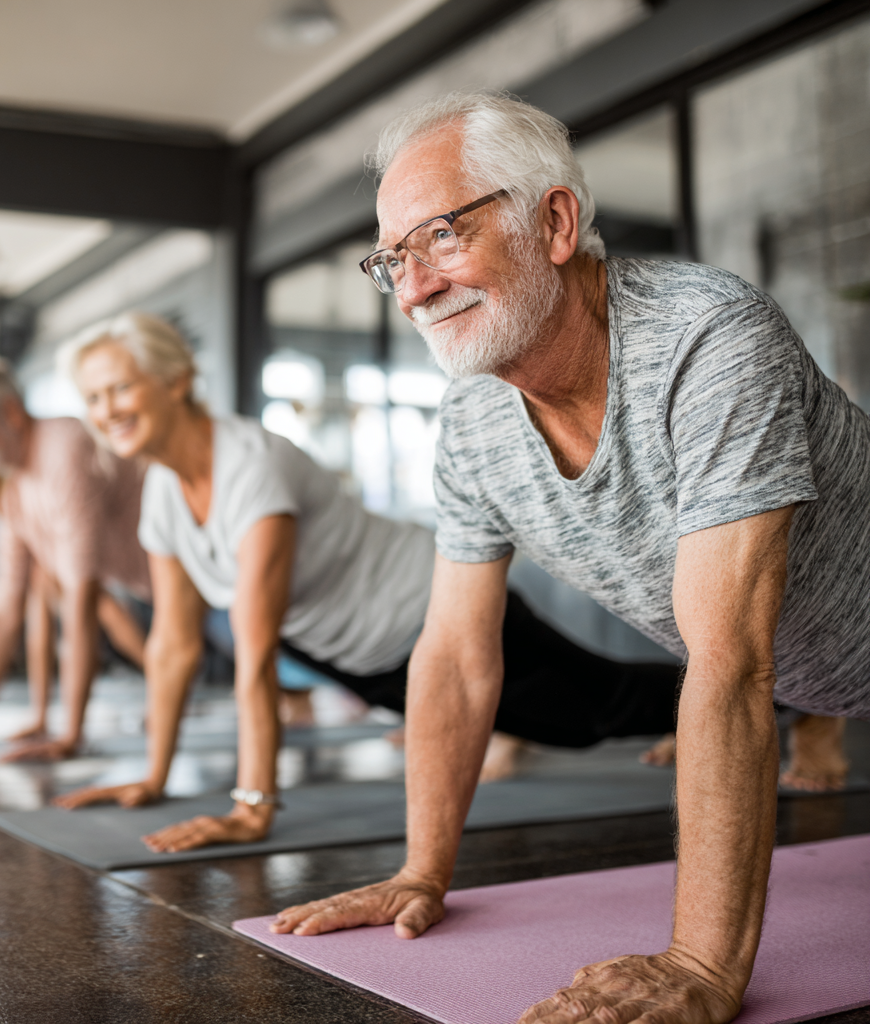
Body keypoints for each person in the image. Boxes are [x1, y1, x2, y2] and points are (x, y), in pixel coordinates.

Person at [266, 94, 870, 1023]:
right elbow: (459, 657)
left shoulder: (707, 338)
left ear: (554, 222)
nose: (415, 287)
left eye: (439, 237)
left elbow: (730, 661)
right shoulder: (472, 424)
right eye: (392, 260)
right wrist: (422, 870)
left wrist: (704, 967)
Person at [49, 312, 683, 851]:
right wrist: (152, 777)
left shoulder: (250, 468)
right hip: (359, 655)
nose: (105, 411)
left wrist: (253, 806)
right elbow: (173, 644)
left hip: (427, 607)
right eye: (93, 399)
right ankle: (724, 704)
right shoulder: (164, 488)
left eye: (119, 388)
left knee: (596, 713)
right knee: (566, 722)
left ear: (177, 381)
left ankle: (764, 699)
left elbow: (256, 653)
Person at [0, 366, 151, 760]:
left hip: (197, 574)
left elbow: (82, 600)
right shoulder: (15, 483)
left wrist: (70, 737)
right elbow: (3, 608)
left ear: (11, 413)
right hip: (148, 583)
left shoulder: (63, 448)